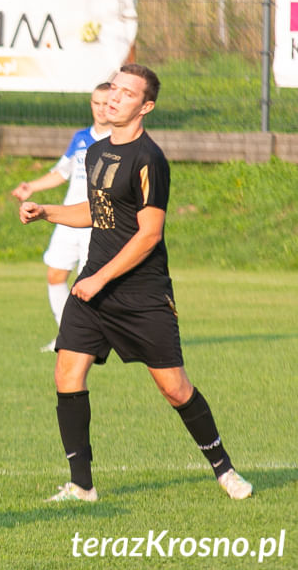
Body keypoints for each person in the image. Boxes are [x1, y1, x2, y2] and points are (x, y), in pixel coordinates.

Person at [18, 64, 252, 502]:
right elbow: (99, 213)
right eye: (113, 90)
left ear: (146, 106)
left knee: (174, 388)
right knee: (67, 374)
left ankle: (224, 469)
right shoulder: (96, 151)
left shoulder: (150, 159)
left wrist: (100, 277)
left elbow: (149, 234)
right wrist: (46, 211)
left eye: (126, 93)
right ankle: (82, 485)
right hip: (92, 289)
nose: (113, 98)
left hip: (141, 294)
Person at [13, 83, 111, 353]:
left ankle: (94, 339)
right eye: (96, 103)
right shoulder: (81, 138)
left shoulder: (119, 141)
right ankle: (65, 334)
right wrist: (31, 186)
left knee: (87, 284)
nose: (101, 109)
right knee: (55, 275)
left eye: (107, 103)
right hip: (67, 218)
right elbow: (62, 172)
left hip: (95, 222)